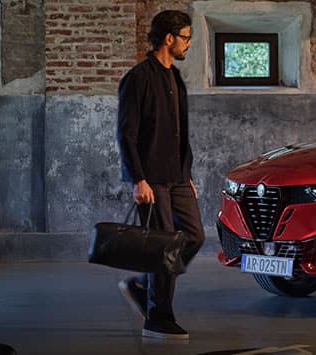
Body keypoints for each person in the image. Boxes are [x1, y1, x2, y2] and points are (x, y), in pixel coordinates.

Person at [116, 10, 204, 340]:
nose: (188, 44)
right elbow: (126, 134)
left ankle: (142, 283)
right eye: (185, 37)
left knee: (194, 236)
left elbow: (180, 132)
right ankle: (158, 317)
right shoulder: (138, 78)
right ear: (169, 39)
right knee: (163, 244)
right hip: (151, 179)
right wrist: (137, 179)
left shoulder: (175, 78)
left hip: (178, 177)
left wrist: (188, 173)